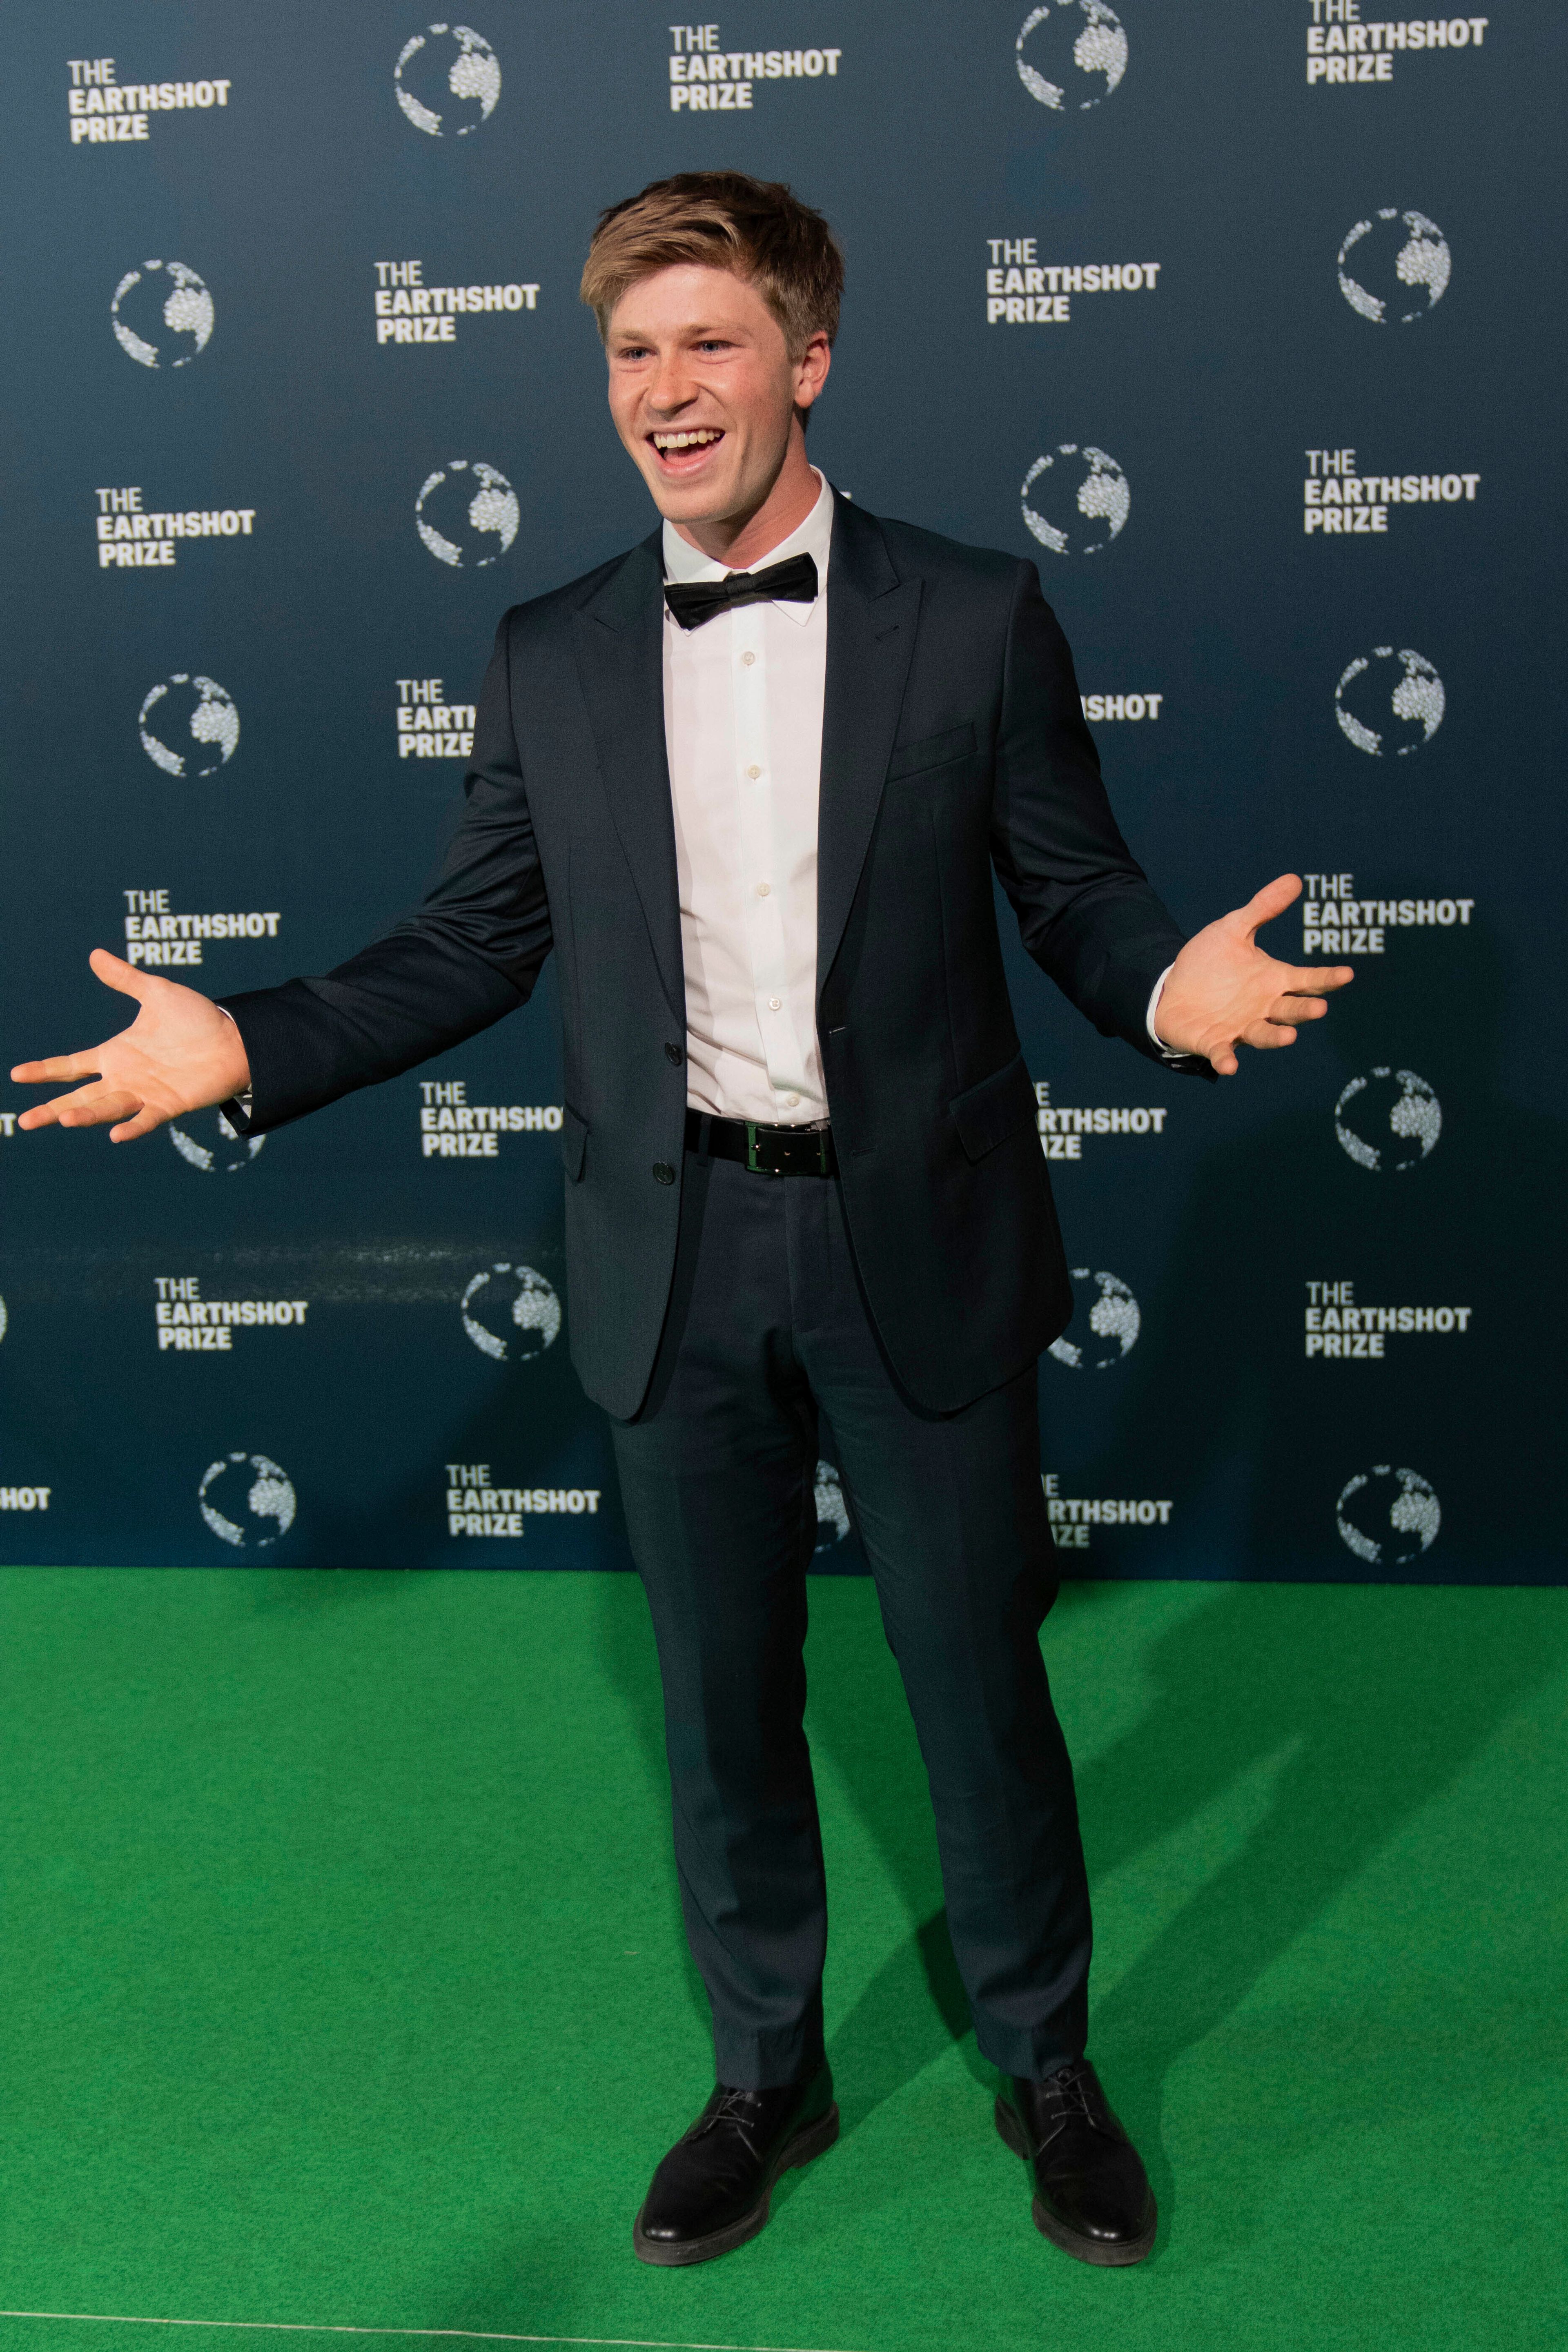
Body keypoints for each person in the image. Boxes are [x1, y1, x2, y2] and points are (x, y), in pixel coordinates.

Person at [14, 172, 1350, 2271]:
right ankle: (767, 2076)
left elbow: (1076, 895)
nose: (667, 389)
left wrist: (1171, 987)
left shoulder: (976, 613)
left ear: (807, 362)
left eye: (710, 344)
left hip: (917, 1242)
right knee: (719, 1700)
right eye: (632, 354)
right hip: (675, 1258)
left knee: (971, 1688)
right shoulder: (546, 647)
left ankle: (1045, 2068)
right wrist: (255, 1046)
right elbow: (468, 946)